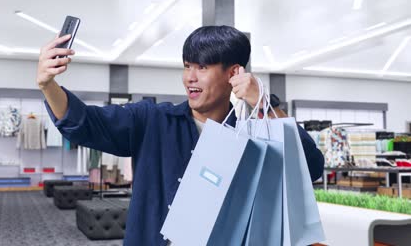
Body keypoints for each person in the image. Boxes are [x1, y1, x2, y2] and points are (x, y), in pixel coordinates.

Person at [37, 25, 324, 246]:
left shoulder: (252, 135)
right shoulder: (152, 119)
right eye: (187, 66)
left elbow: (309, 167)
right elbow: (87, 123)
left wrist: (265, 104)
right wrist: (48, 85)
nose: (190, 77)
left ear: (233, 73)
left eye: (202, 67)